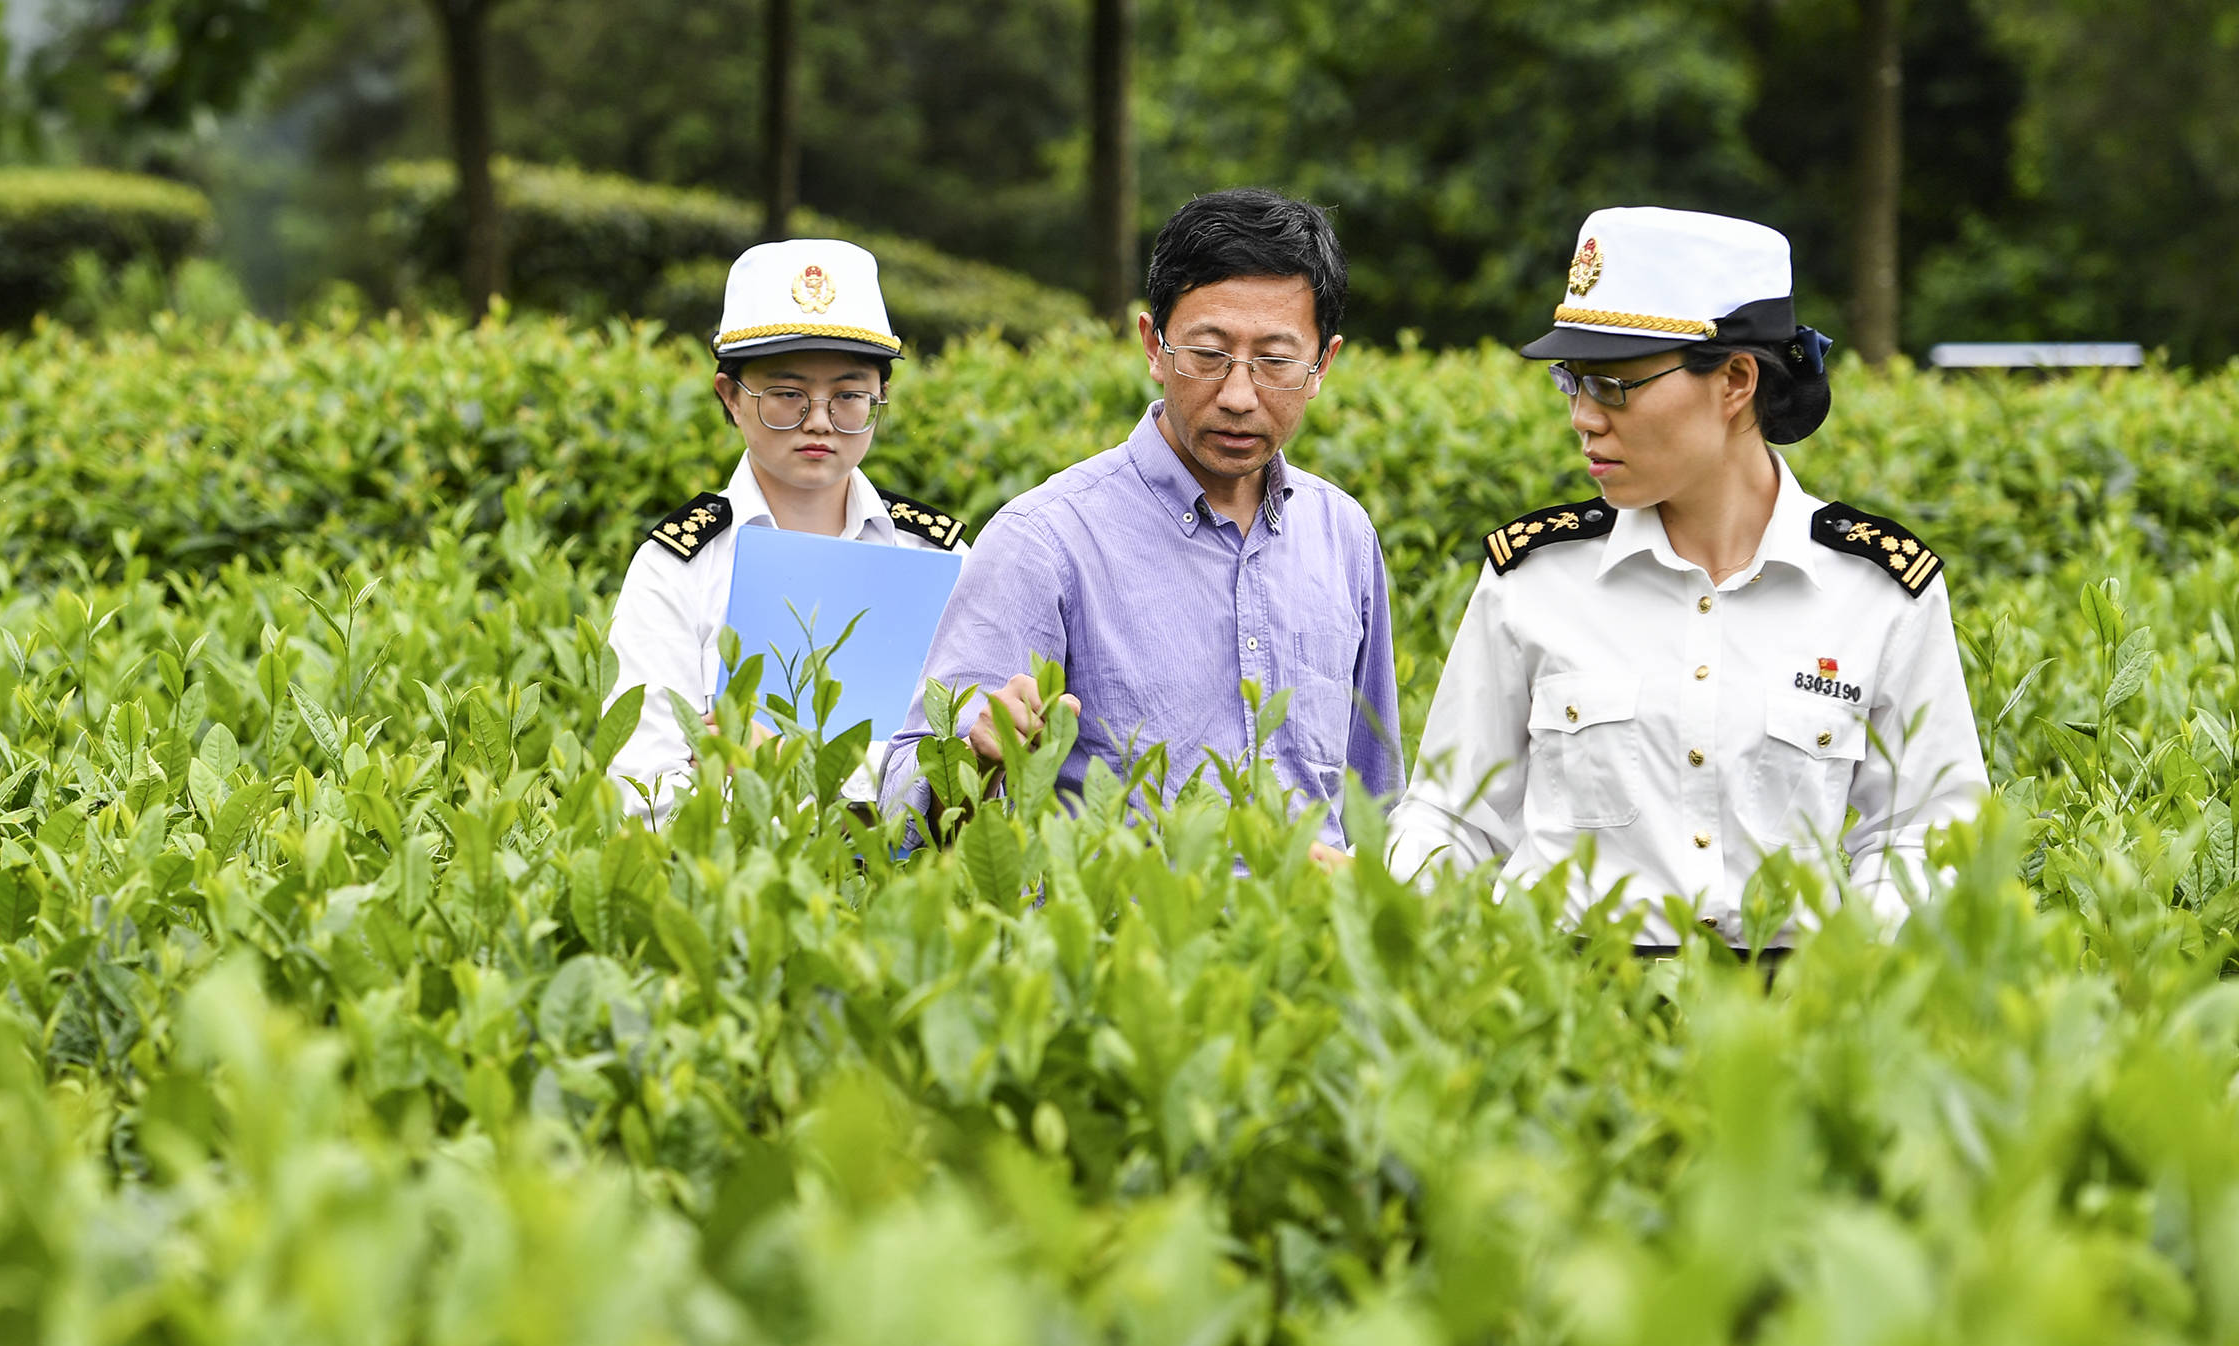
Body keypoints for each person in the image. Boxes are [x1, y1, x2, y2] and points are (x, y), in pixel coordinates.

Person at [1386, 206, 1988, 949]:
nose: (1581, 417)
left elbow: (1925, 829)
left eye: (1613, 386)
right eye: (1571, 382)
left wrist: (1848, 983)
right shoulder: (1536, 577)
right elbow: (1452, 814)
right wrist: (1385, 897)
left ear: (1735, 380)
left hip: (1792, 1016)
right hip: (1567, 1008)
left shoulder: (1877, 589)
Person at [879, 189, 1402, 842]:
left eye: (1275, 360)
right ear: (1154, 347)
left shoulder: (1343, 536)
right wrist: (972, 764)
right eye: (1208, 354)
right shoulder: (1042, 543)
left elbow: (1375, 808)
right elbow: (902, 813)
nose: (1239, 395)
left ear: (1322, 364)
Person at [604, 238, 967, 822]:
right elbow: (645, 796)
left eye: (850, 396)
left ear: (880, 395)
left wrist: (781, 763)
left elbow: (973, 776)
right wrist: (882, 775)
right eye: (786, 395)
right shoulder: (678, 567)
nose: (819, 420)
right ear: (731, 396)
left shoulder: (936, 557)